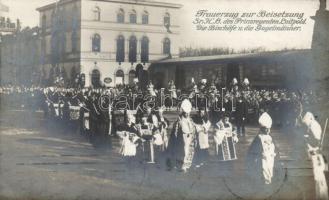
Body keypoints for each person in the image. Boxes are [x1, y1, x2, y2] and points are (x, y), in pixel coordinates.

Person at [302, 112, 328, 200]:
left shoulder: (314, 126)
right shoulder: (311, 125)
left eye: (306, 123)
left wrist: (307, 139)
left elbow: (317, 141)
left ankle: (321, 196)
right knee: (316, 177)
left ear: (310, 119)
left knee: (319, 177)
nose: (306, 124)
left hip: (316, 154)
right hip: (313, 152)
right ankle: (317, 195)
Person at [247, 112, 276, 184]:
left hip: (270, 158)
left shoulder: (270, 137)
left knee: (269, 170)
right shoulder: (258, 137)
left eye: (269, 129)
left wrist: (273, 153)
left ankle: (268, 182)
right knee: (263, 171)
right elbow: (253, 150)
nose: (268, 131)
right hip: (262, 158)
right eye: (266, 129)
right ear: (262, 129)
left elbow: (273, 147)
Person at [170, 99, 197, 172]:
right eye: (185, 113)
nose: (187, 114)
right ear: (183, 113)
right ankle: (182, 166)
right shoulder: (179, 121)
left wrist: (193, 136)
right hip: (182, 139)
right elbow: (175, 132)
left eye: (188, 113)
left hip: (190, 138)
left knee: (189, 151)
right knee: (183, 151)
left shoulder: (190, 120)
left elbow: (193, 128)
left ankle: (187, 165)